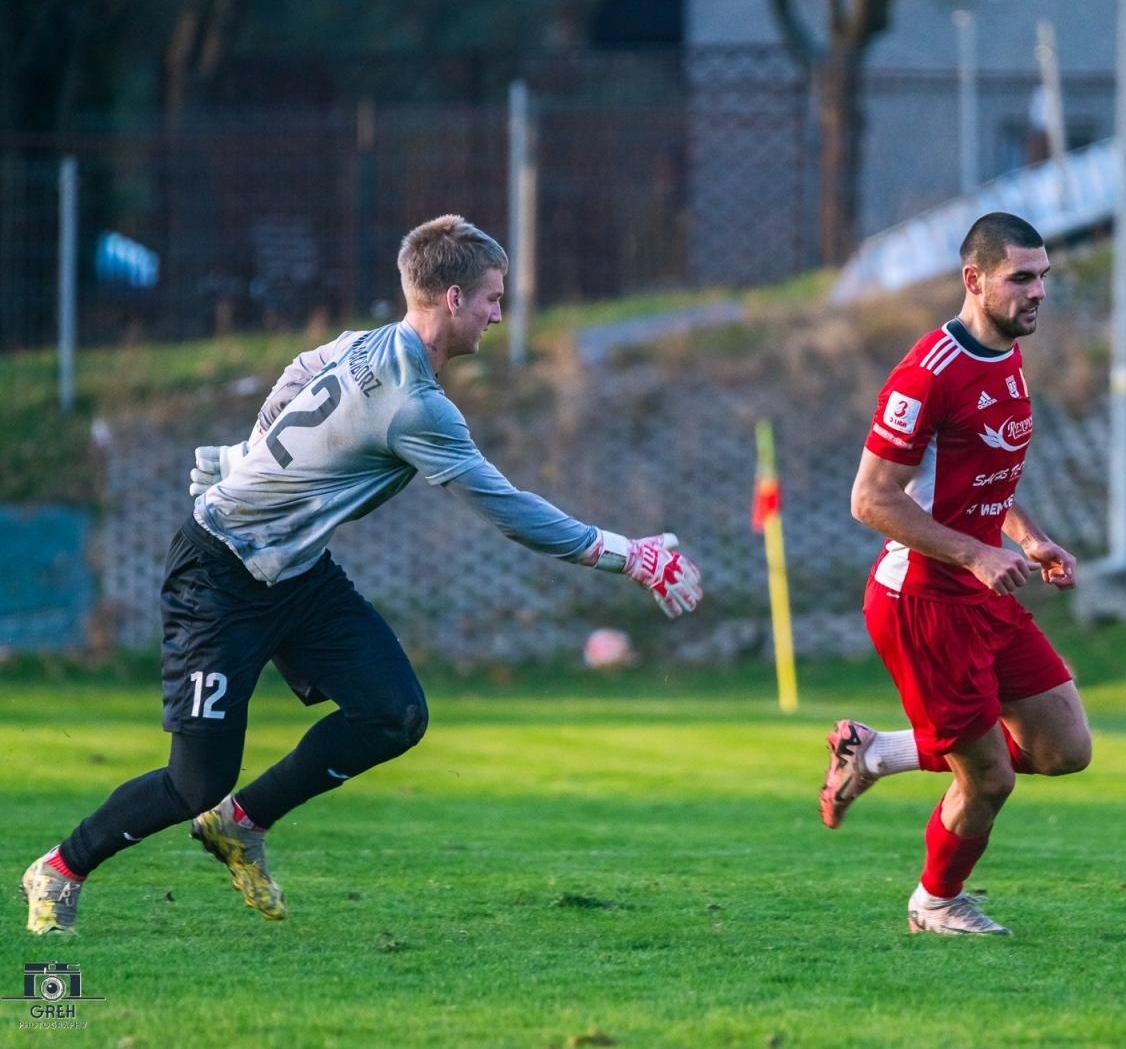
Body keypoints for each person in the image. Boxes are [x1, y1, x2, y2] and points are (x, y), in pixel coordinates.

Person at [21, 215, 703, 935]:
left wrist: (252, 452)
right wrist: (631, 554)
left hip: (297, 574)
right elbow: (510, 510)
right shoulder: (416, 406)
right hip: (218, 573)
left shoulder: (366, 343)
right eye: (492, 298)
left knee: (394, 712)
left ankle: (240, 824)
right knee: (194, 779)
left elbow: (299, 370)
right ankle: (60, 867)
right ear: (450, 298)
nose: (500, 314)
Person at [817, 212, 1092, 936]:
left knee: (1065, 748)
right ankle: (934, 902)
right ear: (974, 280)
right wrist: (974, 553)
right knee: (990, 777)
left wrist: (1028, 538)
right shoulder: (927, 373)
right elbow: (869, 498)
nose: (1038, 292)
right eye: (1021, 278)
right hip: (924, 602)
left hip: (983, 588)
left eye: (1044, 277)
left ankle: (878, 751)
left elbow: (980, 473)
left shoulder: (1006, 356)